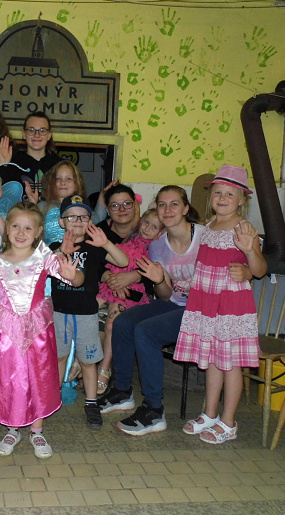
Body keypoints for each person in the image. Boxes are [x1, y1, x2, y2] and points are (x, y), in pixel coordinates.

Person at [98, 186, 206, 435]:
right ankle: (122, 392)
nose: (167, 210)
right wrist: (158, 280)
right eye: (162, 205)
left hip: (201, 310)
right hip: (174, 304)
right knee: (123, 322)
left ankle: (154, 410)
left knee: (146, 331)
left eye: (174, 204)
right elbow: (166, 295)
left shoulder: (203, 237)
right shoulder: (157, 245)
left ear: (186, 208)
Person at [176, 165, 266, 444]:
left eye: (230, 194)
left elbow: (260, 270)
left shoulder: (245, 229)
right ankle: (210, 414)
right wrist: (191, 283)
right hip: (207, 303)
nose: (222, 198)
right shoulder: (208, 227)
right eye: (218, 193)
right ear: (210, 197)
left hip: (231, 305)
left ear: (241, 200)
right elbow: (206, 264)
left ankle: (228, 422)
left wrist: (249, 259)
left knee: (231, 365)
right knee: (213, 361)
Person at [0, 202, 80, 459]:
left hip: (37, 329)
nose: (21, 232)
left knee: (39, 376)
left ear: (38, 232)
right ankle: (12, 427)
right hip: (7, 331)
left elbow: (72, 278)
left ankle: (37, 430)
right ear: (7, 228)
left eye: (28, 228)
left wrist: (72, 274)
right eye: (16, 226)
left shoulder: (43, 257)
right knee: (10, 377)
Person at [51, 195, 129, 429]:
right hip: (59, 313)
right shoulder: (54, 247)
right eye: (71, 217)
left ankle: (92, 402)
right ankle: (52, 399)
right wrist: (61, 252)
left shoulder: (95, 248)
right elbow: (42, 268)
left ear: (90, 221)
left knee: (88, 361)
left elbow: (123, 262)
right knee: (59, 358)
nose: (77, 221)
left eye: (83, 216)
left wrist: (105, 243)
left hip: (86, 314)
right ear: (62, 222)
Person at [96, 208, 163, 394]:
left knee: (111, 324)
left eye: (154, 227)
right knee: (87, 310)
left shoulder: (156, 249)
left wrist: (132, 277)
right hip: (111, 285)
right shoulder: (128, 241)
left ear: (161, 232)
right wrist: (110, 278)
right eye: (146, 223)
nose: (147, 228)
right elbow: (108, 263)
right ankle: (82, 359)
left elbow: (153, 274)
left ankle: (104, 368)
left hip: (132, 293)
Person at [28, 160, 106, 245]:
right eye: (58, 179)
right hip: (49, 252)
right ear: (51, 182)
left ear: (77, 183)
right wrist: (32, 205)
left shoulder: (82, 208)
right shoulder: (43, 205)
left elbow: (98, 219)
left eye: (68, 179)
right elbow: (29, 228)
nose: (63, 182)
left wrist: (103, 195)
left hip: (77, 252)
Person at [9, 111, 62, 200]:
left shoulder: (60, 166)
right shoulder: (12, 163)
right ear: (24, 134)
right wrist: (3, 165)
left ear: (49, 135)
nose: (37, 135)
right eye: (31, 130)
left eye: (42, 130)